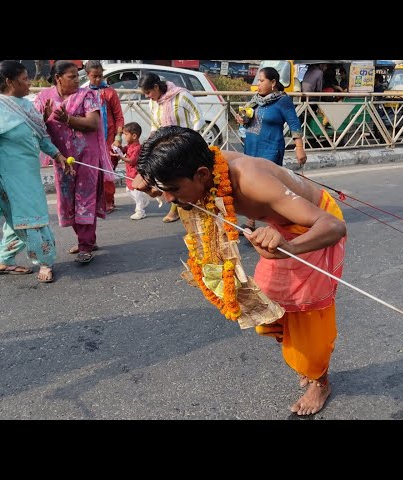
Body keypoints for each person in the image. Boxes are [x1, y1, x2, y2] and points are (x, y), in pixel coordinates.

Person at [133, 125, 347, 416]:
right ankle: (304, 360)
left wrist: (291, 248)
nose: (168, 200)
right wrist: (149, 179)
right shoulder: (206, 162)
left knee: (306, 315)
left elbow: (333, 226)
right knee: (269, 307)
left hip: (310, 228)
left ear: (202, 176)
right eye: (164, 189)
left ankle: (319, 380)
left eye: (173, 190)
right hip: (280, 228)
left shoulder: (252, 181)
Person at [0, 60, 71, 283]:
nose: (29, 83)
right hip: (7, 177)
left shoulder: (26, 105)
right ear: (9, 81)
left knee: (21, 220)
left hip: (28, 174)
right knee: (31, 220)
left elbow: (40, 136)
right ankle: (45, 261)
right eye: (24, 79)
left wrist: (57, 155)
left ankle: (3, 259)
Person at [34, 60, 115, 264]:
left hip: (87, 157)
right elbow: (35, 127)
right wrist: (43, 118)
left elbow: (93, 123)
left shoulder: (87, 95)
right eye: (71, 77)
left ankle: (85, 244)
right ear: (58, 78)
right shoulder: (44, 98)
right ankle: (85, 239)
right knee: (68, 200)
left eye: (78, 76)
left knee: (85, 199)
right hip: (61, 158)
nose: (77, 80)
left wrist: (68, 119)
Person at [235, 66, 306, 231]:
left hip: (270, 148)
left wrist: (299, 147)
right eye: (257, 81)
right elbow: (249, 120)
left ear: (273, 82)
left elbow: (294, 123)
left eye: (261, 81)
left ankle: (276, 222)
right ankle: (251, 221)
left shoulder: (283, 101)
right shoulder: (255, 100)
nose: (257, 85)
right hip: (251, 148)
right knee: (250, 185)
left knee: (267, 187)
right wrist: (242, 119)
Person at [139, 72, 204, 223]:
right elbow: (155, 124)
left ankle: (180, 209)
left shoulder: (181, 96)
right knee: (169, 178)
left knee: (183, 178)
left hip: (185, 145)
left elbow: (198, 117)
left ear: (156, 86)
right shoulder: (153, 102)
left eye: (148, 92)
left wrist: (191, 137)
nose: (147, 96)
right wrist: (151, 141)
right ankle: (177, 208)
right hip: (166, 146)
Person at [84, 60, 125, 214]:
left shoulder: (109, 92)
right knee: (94, 171)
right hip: (91, 139)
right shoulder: (84, 93)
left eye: (100, 76)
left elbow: (119, 117)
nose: (98, 79)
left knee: (107, 171)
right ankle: (96, 200)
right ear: (87, 75)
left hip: (109, 139)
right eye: (94, 76)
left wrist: (118, 137)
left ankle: (109, 200)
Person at [115, 121, 161, 220]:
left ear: (134, 136)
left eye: (126, 135)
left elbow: (132, 161)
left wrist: (121, 157)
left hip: (135, 174)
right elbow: (123, 149)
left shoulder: (137, 148)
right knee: (129, 190)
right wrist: (118, 150)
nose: (124, 137)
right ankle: (143, 202)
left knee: (136, 192)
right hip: (130, 174)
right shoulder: (129, 146)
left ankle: (140, 211)